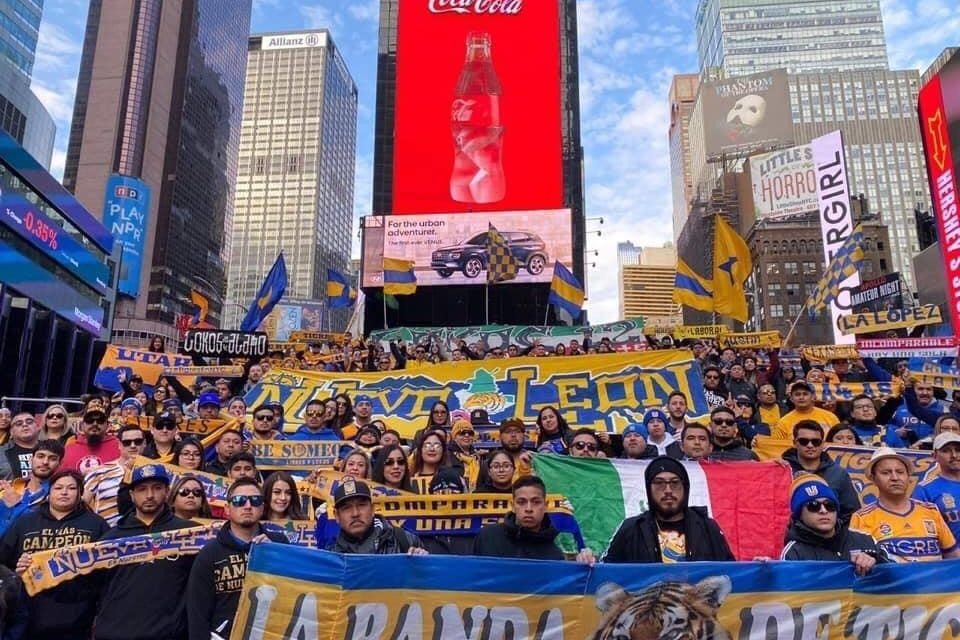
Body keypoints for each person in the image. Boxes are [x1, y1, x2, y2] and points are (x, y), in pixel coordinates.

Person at [0, 469, 109, 640]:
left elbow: (107, 572)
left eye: (71, 488)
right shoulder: (26, 522)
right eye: (58, 488)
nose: (64, 492)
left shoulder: (96, 524)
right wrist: (17, 572)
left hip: (79, 617)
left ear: (80, 493)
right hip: (29, 616)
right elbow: (3, 563)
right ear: (49, 492)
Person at [94, 463, 197, 640]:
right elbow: (89, 589)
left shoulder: (190, 534)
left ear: (167, 491)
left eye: (157, 488)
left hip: (171, 635)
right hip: (116, 633)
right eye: (142, 489)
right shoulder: (110, 539)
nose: (149, 495)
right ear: (132, 495)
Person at [186, 478, 287, 640]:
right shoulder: (210, 553)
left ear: (263, 507)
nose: (248, 506)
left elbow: (292, 592)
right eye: (239, 501)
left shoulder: (280, 543)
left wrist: (274, 553)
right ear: (227, 509)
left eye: (255, 501)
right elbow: (197, 612)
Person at [593, 456, 735, 563]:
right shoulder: (631, 528)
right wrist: (587, 562)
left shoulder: (708, 526)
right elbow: (605, 572)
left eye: (674, 483)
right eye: (659, 483)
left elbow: (732, 573)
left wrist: (756, 570)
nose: (668, 490)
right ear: (649, 489)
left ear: (685, 487)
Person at [851, 448, 960, 562]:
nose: (895, 478)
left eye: (900, 472)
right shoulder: (862, 518)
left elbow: (952, 555)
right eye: (886, 473)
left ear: (908, 477)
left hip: (936, 580)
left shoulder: (930, 510)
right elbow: (857, 563)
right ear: (873, 479)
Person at [780, 474, 884, 573]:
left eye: (829, 505)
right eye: (814, 506)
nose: (823, 511)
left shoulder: (866, 540)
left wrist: (876, 560)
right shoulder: (794, 552)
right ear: (800, 515)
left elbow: (896, 575)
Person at [781, 420, 860, 525]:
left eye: (816, 442)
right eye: (804, 441)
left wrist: (833, 531)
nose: (810, 445)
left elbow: (851, 513)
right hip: (789, 536)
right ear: (795, 443)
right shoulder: (781, 471)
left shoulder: (838, 474)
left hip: (830, 537)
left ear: (823, 444)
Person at [327, 477, 427, 555]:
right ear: (336, 515)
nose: (355, 513)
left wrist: (424, 564)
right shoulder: (330, 556)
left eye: (361, 505)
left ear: (372, 509)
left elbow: (427, 578)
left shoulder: (404, 540)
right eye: (347, 508)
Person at [473, 476, 564, 560]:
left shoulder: (555, 556)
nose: (529, 509)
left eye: (536, 502)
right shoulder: (488, 537)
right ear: (513, 506)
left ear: (545, 506)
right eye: (521, 502)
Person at [84, 424, 147, 526]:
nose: (133, 445)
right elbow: (82, 504)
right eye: (127, 442)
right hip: (107, 532)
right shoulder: (99, 471)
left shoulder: (155, 470)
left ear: (144, 443)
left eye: (138, 441)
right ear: (119, 444)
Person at [0, 439, 63, 537]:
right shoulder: (9, 490)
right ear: (31, 459)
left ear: (60, 464)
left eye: (52, 458)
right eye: (40, 456)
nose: (45, 462)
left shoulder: (58, 496)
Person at [913, 432, 960, 542]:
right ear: (934, 456)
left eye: (958, 450)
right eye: (946, 450)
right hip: (951, 557)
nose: (954, 455)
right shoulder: (924, 490)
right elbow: (921, 531)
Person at [420, 468, 474, 555]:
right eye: (440, 494)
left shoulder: (474, 530)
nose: (447, 500)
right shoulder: (419, 532)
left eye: (453, 493)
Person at [772, 381, 840, 440]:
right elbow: (778, 447)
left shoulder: (830, 417)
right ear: (791, 399)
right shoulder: (783, 422)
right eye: (797, 394)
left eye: (805, 394)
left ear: (813, 397)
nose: (801, 397)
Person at [62, 408, 122, 474]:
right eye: (89, 421)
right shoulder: (70, 446)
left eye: (100, 421)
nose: (95, 424)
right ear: (82, 426)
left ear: (108, 426)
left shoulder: (119, 446)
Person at [0, 412, 41, 480]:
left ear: (37, 427)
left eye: (29, 422)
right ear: (11, 432)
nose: (25, 425)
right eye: (19, 424)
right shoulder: (1, 452)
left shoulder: (51, 448)